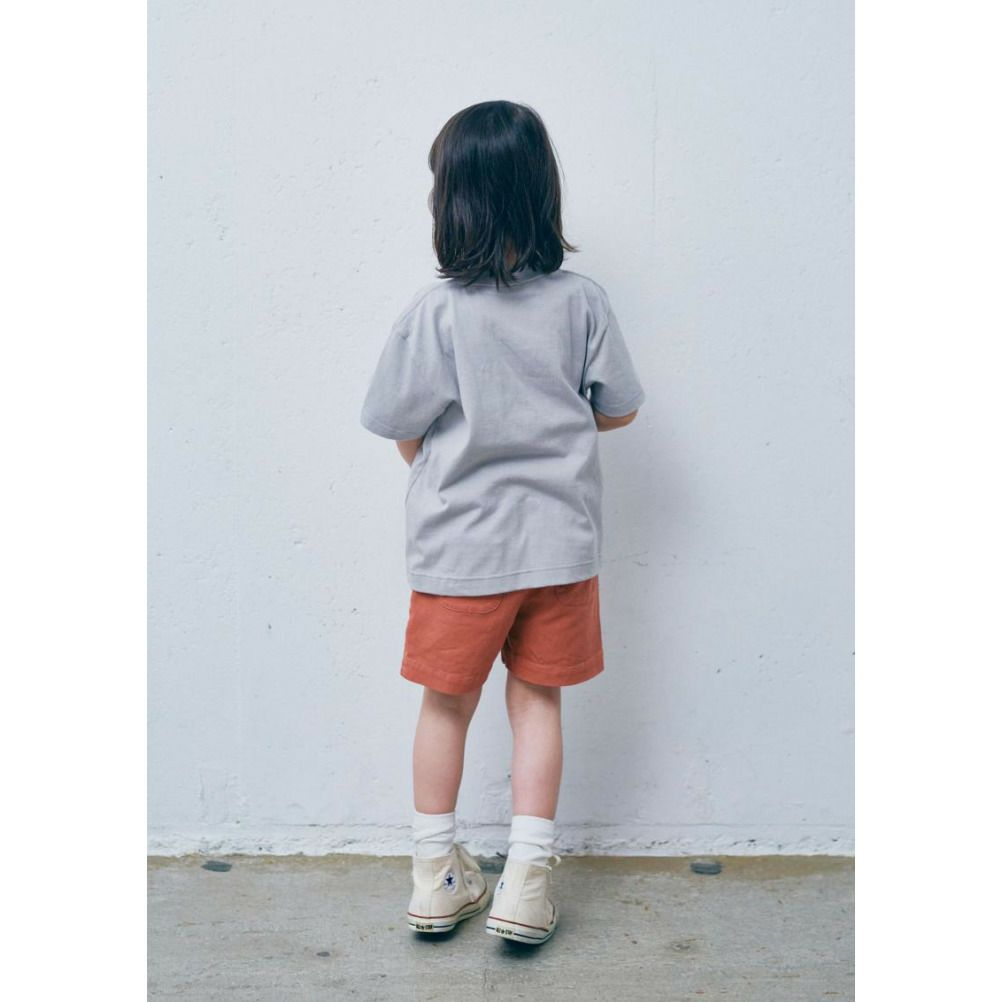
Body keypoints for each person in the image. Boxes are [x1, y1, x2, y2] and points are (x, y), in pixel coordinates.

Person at [360, 100, 645, 945]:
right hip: (559, 546)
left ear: (451, 201)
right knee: (537, 701)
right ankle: (525, 882)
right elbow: (619, 410)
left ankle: (436, 874)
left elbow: (398, 425)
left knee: (445, 707)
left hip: (461, 548)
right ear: (541, 193)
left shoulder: (436, 312)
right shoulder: (582, 303)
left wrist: (455, 469)